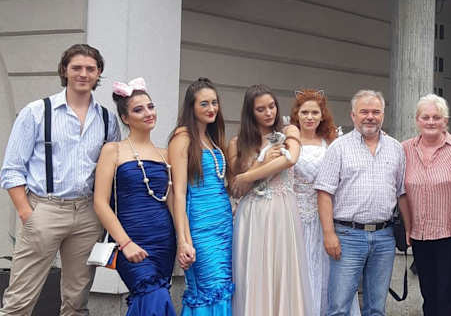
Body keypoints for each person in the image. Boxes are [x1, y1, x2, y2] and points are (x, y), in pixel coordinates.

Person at [0, 44, 120, 316]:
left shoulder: (107, 119)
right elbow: (12, 169)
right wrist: (27, 213)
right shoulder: (36, 112)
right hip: (45, 208)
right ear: (64, 70)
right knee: (19, 300)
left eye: (90, 68)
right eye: (76, 67)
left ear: (98, 73)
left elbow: (110, 171)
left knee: (77, 302)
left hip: (88, 213)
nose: (83, 74)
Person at [315, 90, 412, 316]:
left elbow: (402, 193)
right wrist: (329, 234)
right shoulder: (338, 148)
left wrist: (408, 229)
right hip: (348, 236)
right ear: (353, 115)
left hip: (384, 237)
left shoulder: (396, 148)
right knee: (339, 308)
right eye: (364, 112)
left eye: (376, 112)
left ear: (383, 115)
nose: (370, 117)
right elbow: (324, 193)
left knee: (376, 308)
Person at [93, 78, 176, 315]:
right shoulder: (113, 150)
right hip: (130, 240)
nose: (148, 113)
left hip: (164, 241)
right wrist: (125, 243)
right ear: (125, 118)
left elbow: (173, 201)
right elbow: (100, 203)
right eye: (139, 110)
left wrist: (183, 240)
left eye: (150, 106)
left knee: (149, 301)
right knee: (154, 296)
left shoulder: (166, 154)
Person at [227, 84, 312, 316]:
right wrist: (261, 164)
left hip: (282, 210)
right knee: (255, 272)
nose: (269, 113)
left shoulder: (289, 131)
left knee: (284, 270)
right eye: (261, 109)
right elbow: (236, 189)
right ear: (250, 112)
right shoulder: (237, 143)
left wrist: (247, 175)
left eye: (272, 106)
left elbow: (290, 159)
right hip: (252, 213)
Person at [289, 88, 361, 316]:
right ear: (297, 115)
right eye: (305, 112)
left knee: (327, 273)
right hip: (295, 216)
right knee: (299, 271)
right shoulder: (288, 142)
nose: (309, 117)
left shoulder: (331, 142)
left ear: (322, 116)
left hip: (326, 219)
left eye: (314, 112)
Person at [402, 94, 451, 316]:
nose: (431, 122)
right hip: (420, 234)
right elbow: (399, 190)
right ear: (417, 120)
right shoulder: (405, 149)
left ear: (445, 120)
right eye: (425, 117)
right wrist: (406, 227)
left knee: (446, 295)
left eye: (437, 117)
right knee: (428, 294)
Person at [169, 78, 234, 315]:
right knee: (208, 288)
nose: (211, 108)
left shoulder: (213, 139)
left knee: (224, 287)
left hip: (224, 225)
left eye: (214, 103)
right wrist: (183, 240)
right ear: (192, 107)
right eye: (204, 104)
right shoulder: (182, 138)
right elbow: (178, 194)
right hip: (200, 226)